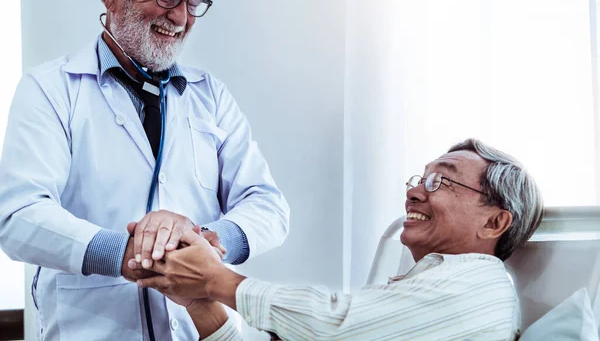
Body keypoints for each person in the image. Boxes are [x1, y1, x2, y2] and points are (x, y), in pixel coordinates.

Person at [0, 0, 289, 340]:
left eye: (192, 2)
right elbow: (19, 216)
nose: (180, 16)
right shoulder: (49, 90)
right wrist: (127, 253)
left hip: (201, 331)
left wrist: (202, 244)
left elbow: (268, 205)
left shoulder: (212, 97)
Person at [133, 139, 544, 340]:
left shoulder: (479, 285)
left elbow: (335, 327)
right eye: (420, 177)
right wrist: (201, 303)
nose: (415, 191)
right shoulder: (423, 289)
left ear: (494, 222)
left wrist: (216, 280)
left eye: (441, 180)